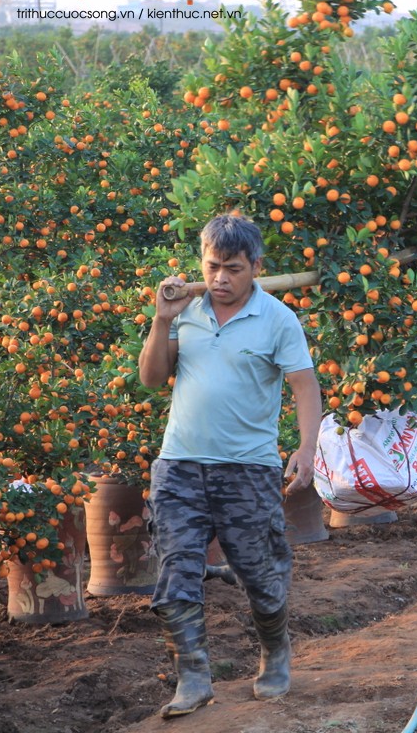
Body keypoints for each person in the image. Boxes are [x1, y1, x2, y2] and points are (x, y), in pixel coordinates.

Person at [138, 213, 321, 717]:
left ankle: (275, 651)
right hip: (178, 466)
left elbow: (306, 385)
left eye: (233, 269)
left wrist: (307, 448)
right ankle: (194, 678)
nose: (220, 278)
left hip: (247, 469)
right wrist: (162, 319)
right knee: (176, 572)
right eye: (213, 266)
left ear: (255, 267)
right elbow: (153, 379)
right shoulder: (186, 311)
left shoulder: (278, 319)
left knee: (260, 572)